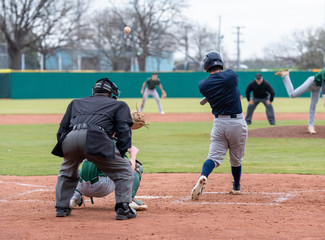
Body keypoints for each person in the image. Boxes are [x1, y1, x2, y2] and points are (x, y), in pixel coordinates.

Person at [52, 77, 136, 220]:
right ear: (111, 94)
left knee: (67, 172)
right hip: (96, 138)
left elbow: (62, 130)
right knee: (124, 171)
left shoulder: (75, 102)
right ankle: (123, 208)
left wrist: (68, 151)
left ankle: (61, 207)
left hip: (70, 137)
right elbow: (124, 131)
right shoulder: (119, 105)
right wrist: (121, 152)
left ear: (94, 91)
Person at [191, 51, 248, 200]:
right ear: (220, 62)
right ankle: (236, 186)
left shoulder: (203, 85)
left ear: (206, 66)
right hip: (236, 123)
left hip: (219, 124)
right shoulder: (230, 76)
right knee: (235, 159)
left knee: (213, 157)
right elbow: (230, 83)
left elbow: (216, 86)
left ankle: (203, 175)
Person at [69, 145, 148, 211]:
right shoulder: (114, 143)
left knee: (82, 170)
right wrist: (133, 154)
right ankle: (128, 201)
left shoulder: (91, 139)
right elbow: (129, 170)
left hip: (80, 186)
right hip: (101, 187)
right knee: (136, 167)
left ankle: (75, 196)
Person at [275, 68, 325, 134]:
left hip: (318, 87)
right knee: (292, 94)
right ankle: (286, 75)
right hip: (311, 82)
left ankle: (311, 126)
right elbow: (324, 89)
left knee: (313, 105)